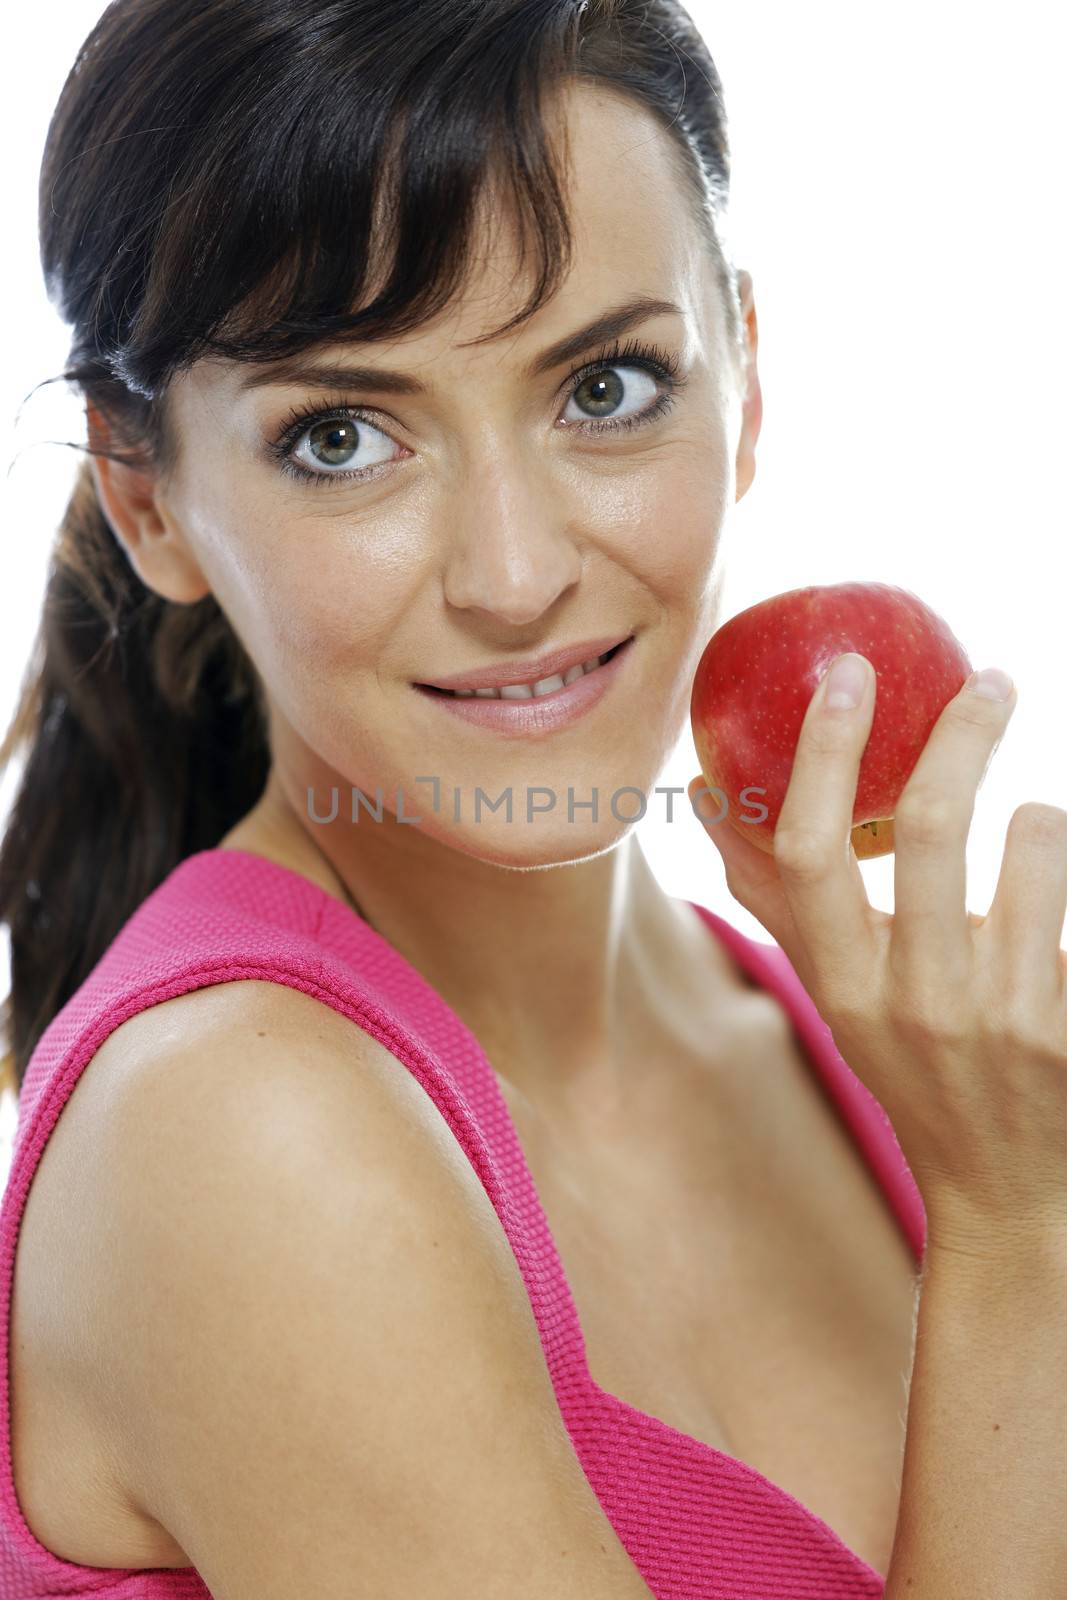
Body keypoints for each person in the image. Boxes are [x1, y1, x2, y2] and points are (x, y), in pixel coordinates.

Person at [1, 1, 1065, 1596]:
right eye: (342, 436)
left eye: (609, 388)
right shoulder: (237, 1138)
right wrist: (1021, 1237)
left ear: (748, 382)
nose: (515, 575)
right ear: (146, 500)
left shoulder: (827, 1035)